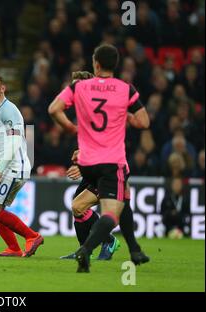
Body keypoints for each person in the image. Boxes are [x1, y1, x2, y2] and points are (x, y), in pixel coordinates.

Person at [48, 44, 150, 272]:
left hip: (90, 164)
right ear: (116, 64)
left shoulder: (80, 89)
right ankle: (92, 247)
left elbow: (54, 109)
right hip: (112, 163)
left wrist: (70, 129)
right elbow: (144, 122)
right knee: (114, 211)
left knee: (109, 206)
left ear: (95, 62)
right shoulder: (124, 90)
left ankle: (130, 249)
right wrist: (128, 119)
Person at [0, 73, 44, 257]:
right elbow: (1, 142)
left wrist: (0, 169)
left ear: (3, 88)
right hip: (6, 164)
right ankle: (14, 248)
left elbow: (14, 142)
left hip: (14, 167)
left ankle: (32, 236)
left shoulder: (8, 110)